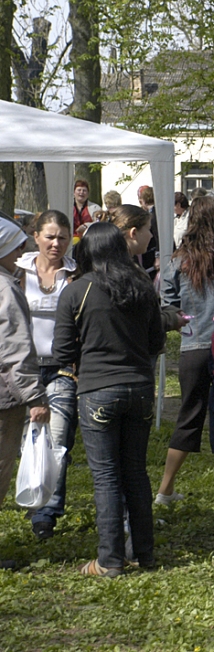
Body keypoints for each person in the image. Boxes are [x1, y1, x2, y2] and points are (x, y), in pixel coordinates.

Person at [53, 221, 165, 576]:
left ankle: (110, 560)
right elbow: (156, 342)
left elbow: (61, 351)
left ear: (86, 251)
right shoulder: (142, 286)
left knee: (106, 477)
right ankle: (144, 554)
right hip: (140, 389)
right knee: (135, 472)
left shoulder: (76, 291)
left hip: (97, 390)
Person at [155, 196, 214, 506]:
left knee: (189, 418)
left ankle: (165, 490)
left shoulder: (178, 260)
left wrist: (186, 322)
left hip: (193, 348)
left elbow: (168, 305)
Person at [15, 211, 78, 541]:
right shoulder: (17, 270)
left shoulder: (74, 273)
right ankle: (29, 492)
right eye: (50, 236)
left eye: (63, 238)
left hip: (62, 368)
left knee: (57, 438)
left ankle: (46, 513)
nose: (56, 243)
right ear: (36, 236)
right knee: (25, 440)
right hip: (22, 369)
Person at [0, 218, 51, 568]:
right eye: (15, 246)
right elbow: (15, 349)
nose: (21, 253)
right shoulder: (5, 290)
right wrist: (34, 397)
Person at [137, 185, 160, 280]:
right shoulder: (157, 212)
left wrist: (158, 256)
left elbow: (158, 236)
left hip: (153, 253)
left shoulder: (153, 216)